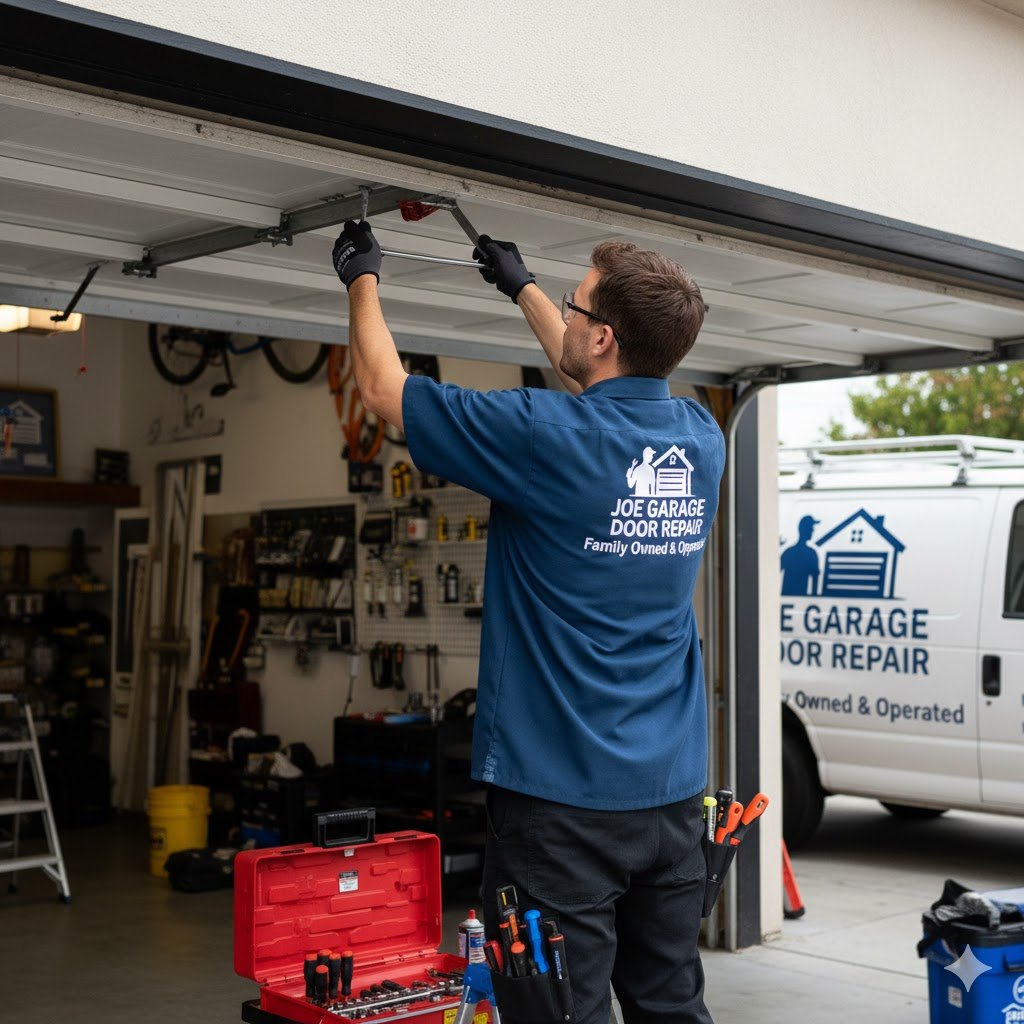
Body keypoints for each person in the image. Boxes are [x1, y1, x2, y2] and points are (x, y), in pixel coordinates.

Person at [331, 219, 725, 1024]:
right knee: (669, 1005)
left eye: (576, 308)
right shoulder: (698, 438)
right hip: (672, 800)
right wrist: (521, 288)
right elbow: (598, 379)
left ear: (606, 335)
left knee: (558, 1014)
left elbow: (381, 390)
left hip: (561, 804)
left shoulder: (544, 436)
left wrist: (360, 278)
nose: (568, 318)